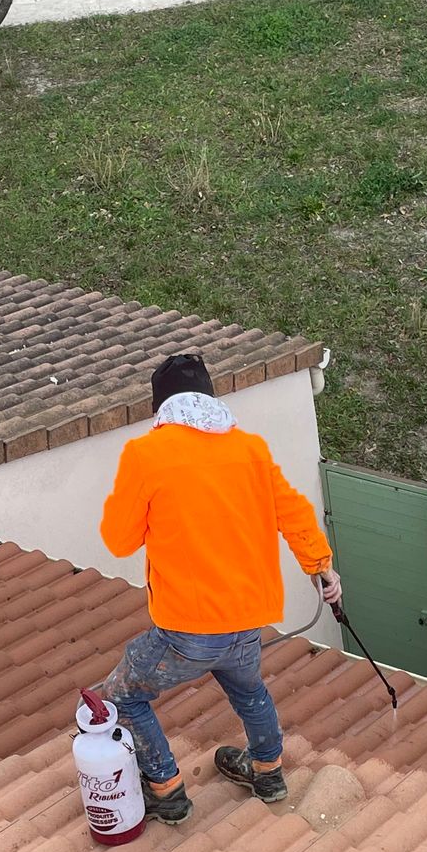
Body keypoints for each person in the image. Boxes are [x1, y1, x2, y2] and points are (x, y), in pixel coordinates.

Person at [98, 352, 343, 826]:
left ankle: (165, 789)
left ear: (161, 407)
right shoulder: (250, 448)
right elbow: (294, 514)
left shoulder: (146, 453)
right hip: (247, 619)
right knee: (249, 690)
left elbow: (119, 538)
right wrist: (323, 569)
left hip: (185, 629)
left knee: (121, 696)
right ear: (210, 398)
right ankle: (268, 772)